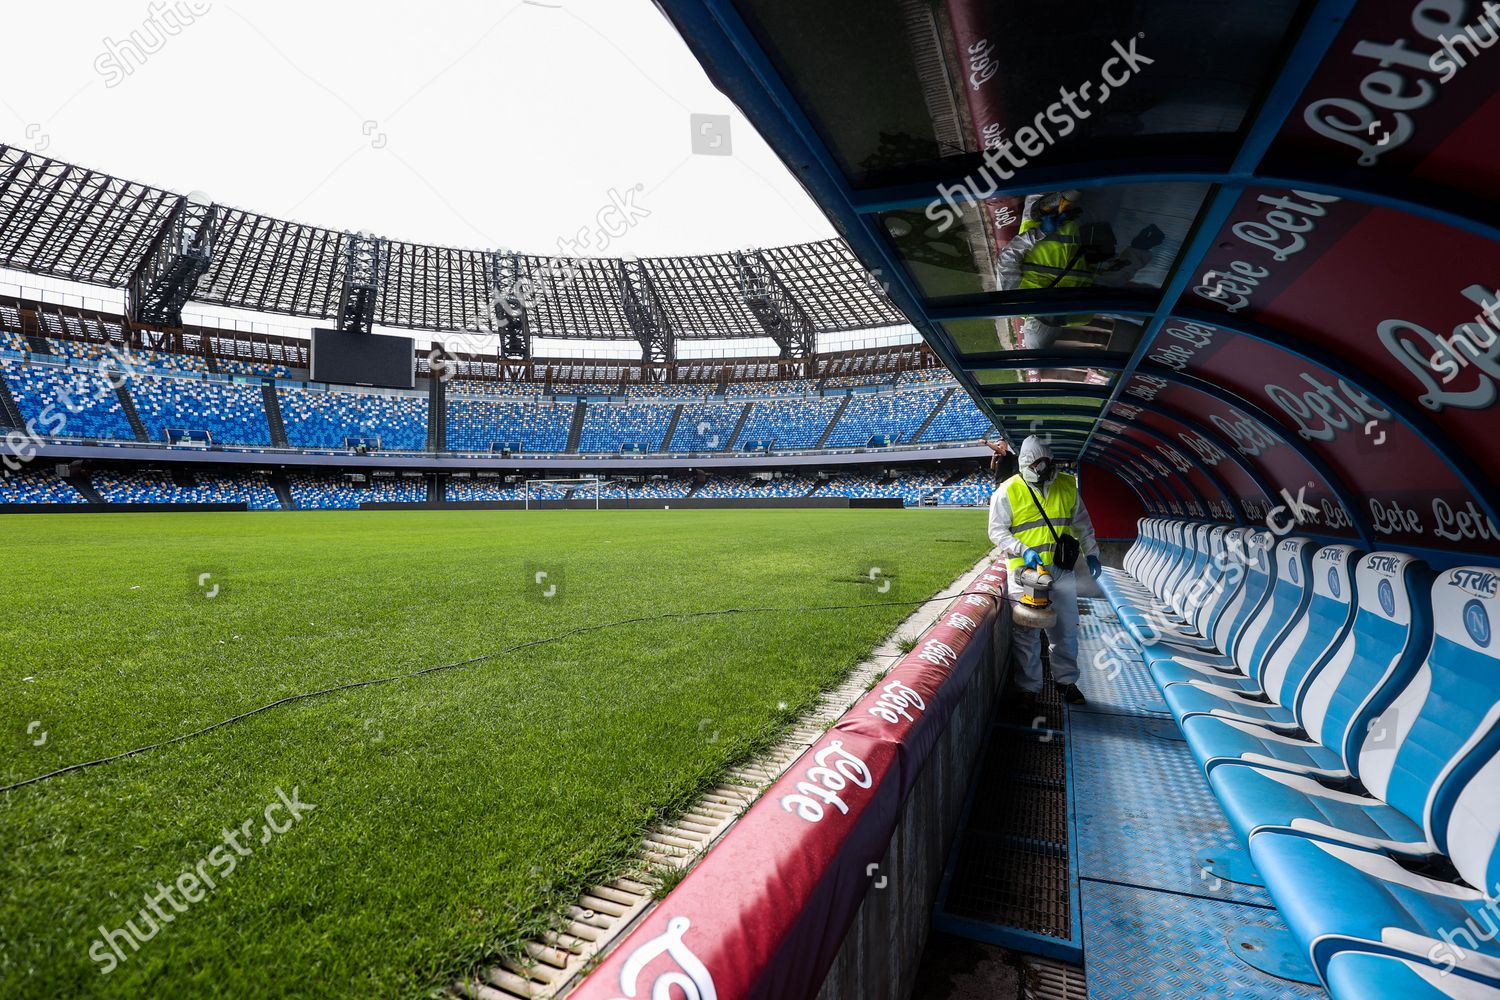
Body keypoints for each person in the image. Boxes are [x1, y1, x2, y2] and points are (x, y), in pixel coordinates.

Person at [988, 435, 1101, 707]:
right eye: (1034, 466)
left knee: (1065, 630)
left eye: (1043, 464)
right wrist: (1020, 548)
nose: (1040, 471)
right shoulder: (1008, 490)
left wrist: (1093, 554)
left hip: (1060, 570)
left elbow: (1083, 525)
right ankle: (1029, 688)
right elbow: (996, 531)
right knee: (1026, 633)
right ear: (1025, 465)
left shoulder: (1066, 486)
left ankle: (1066, 682)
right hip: (1025, 573)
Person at [996, 190, 1163, 350]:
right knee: (1110, 177)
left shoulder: (1014, 299)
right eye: (1053, 319)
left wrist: (1040, 232)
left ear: (1031, 318)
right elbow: (1111, 279)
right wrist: (1138, 250)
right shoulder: (1080, 312)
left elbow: (1008, 257)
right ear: (1059, 325)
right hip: (1091, 221)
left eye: (1043, 315)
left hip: (1045, 212)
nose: (1050, 312)